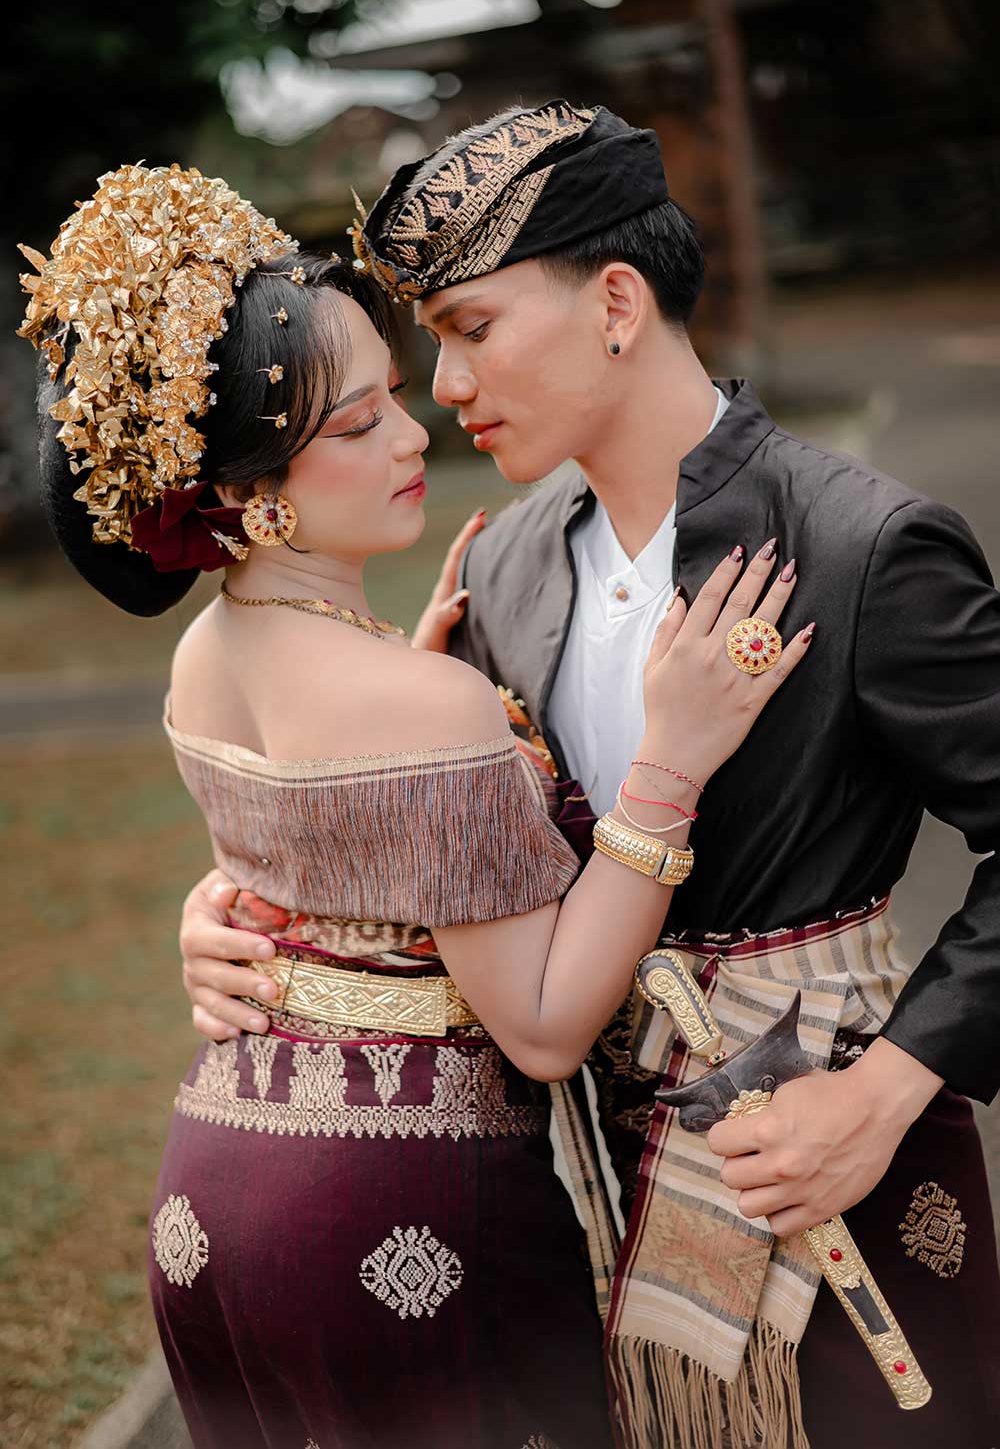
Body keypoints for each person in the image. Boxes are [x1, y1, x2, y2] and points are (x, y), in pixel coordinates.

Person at [178, 102, 1000, 1448]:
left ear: (616, 303)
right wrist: (234, 913)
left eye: (471, 329)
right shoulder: (502, 569)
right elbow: (436, 838)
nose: (445, 388)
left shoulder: (863, 547)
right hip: (599, 1203)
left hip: (837, 1182)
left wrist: (887, 1090)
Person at [17, 161, 813, 1449]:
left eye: (393, 394)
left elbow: (311, 868)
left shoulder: (203, 659)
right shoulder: (420, 706)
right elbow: (543, 1028)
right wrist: (669, 767)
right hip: (393, 1209)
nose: (409, 436)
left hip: (217, 1187)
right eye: (354, 427)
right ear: (237, 488)